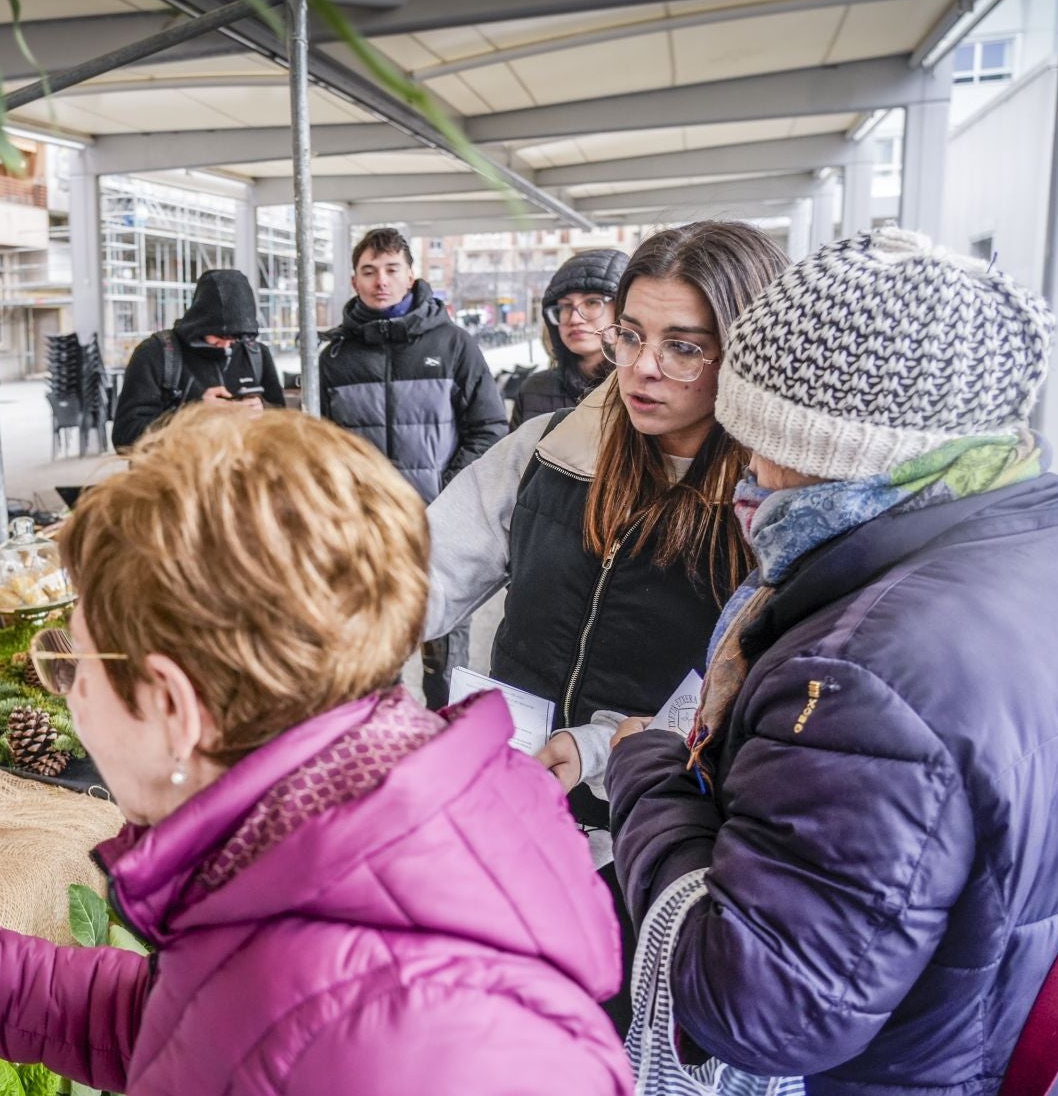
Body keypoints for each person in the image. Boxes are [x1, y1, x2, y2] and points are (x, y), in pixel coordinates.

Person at [0, 404, 633, 1096]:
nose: (69, 693)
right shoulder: (356, 830)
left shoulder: (375, 1067)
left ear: (172, 704)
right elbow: (194, 1023)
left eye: (72, 662)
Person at [609, 230, 1058, 1096]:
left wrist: (647, 776)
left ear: (820, 445)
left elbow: (757, 1006)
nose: (748, 475)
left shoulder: (862, 669)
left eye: (760, 444)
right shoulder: (1017, 541)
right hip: (978, 1063)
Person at [423, 220, 787, 1027]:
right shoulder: (554, 448)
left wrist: (599, 749)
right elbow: (426, 567)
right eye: (630, 335)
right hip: (513, 815)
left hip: (655, 854)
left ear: (746, 352)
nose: (642, 367)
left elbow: (746, 685)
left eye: (685, 347)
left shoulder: (772, 506)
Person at [320, 226, 509, 499]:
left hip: (440, 516)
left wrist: (450, 490)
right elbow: (319, 442)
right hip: (362, 517)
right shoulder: (335, 357)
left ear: (410, 277)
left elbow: (489, 427)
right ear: (355, 282)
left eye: (392, 269)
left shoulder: (453, 344)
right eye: (369, 271)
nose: (381, 281)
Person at [110, 268, 286, 450]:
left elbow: (285, 425)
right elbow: (126, 438)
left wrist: (263, 411)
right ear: (202, 322)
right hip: (177, 475)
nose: (226, 345)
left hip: (240, 475)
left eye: (235, 338)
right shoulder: (156, 354)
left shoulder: (256, 355)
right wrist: (194, 414)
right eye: (220, 336)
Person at [513, 248, 627, 427]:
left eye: (591, 302)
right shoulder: (533, 390)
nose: (574, 319)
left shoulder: (642, 387)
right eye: (565, 307)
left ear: (622, 308)